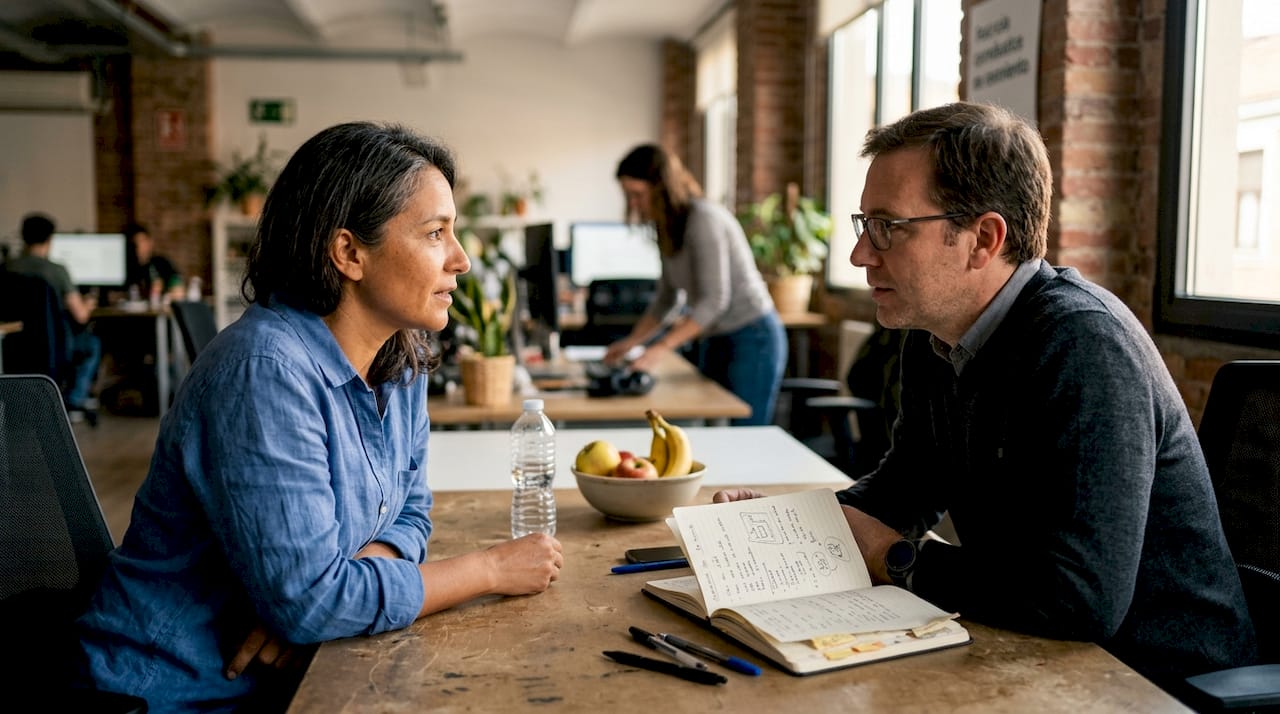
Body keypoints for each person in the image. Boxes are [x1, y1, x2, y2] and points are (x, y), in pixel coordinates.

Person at [713, 102, 1256, 696]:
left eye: (888, 227)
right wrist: (784, 529)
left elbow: (1079, 599)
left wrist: (898, 558)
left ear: (983, 239)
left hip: (1152, 680)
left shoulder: (1084, 345)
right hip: (1030, 655)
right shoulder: (935, 335)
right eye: (863, 224)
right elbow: (908, 484)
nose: (860, 254)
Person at [71, 122, 564, 711]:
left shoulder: (399, 359)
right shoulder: (264, 371)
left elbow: (411, 511)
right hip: (169, 694)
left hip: (294, 677)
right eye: (436, 233)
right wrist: (487, 570)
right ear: (350, 252)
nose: (459, 259)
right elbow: (312, 604)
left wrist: (335, 594)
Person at [605, 144, 786, 426]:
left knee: (746, 436)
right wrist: (632, 343)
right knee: (711, 431)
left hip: (752, 335)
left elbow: (714, 300)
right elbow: (666, 299)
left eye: (638, 195)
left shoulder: (704, 219)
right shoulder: (667, 226)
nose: (633, 205)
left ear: (661, 188)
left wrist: (660, 348)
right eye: (628, 196)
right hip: (715, 337)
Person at [4, 212, 101, 422]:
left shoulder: (6, 268)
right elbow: (81, 315)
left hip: (11, 344)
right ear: (50, 239)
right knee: (92, 344)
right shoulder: (56, 271)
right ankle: (74, 402)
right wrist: (89, 302)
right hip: (51, 345)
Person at [123, 222, 184, 301]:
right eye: (136, 243)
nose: (140, 246)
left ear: (151, 242)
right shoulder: (127, 267)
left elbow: (177, 283)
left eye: (143, 241)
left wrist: (172, 292)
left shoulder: (161, 263)